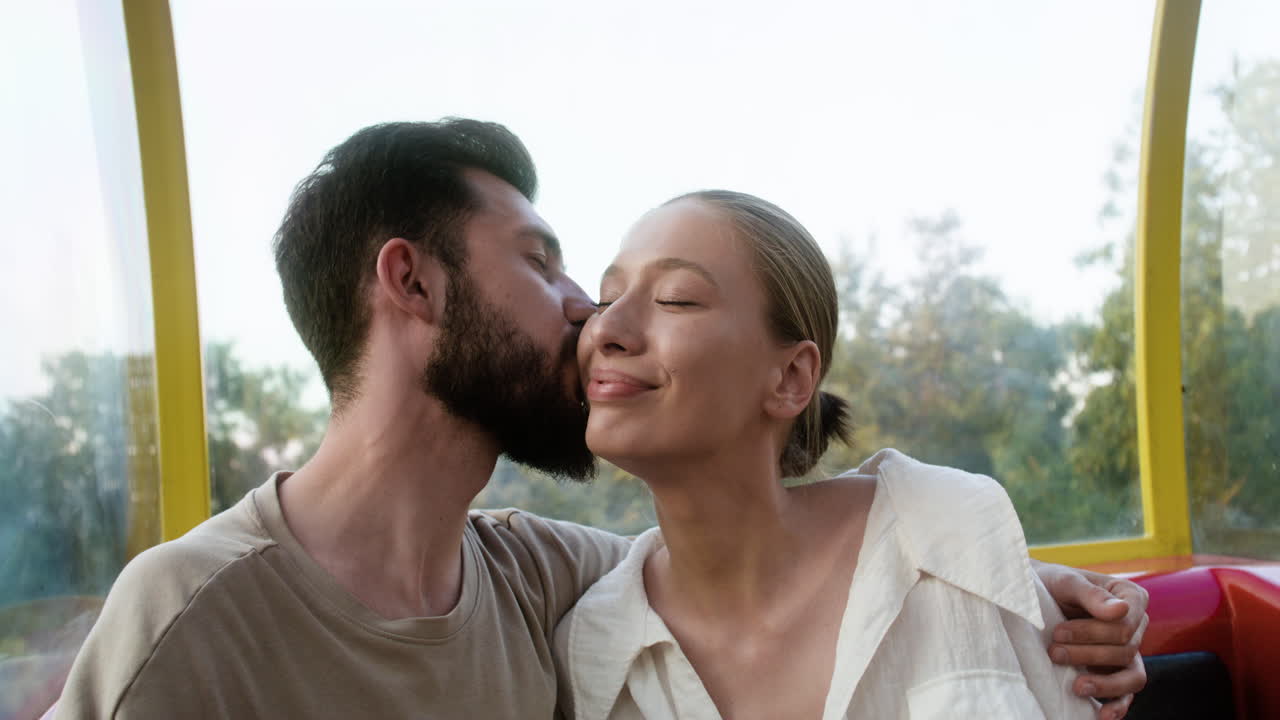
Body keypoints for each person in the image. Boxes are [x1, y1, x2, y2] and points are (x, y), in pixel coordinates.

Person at [55, 120, 1146, 719]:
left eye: (659, 297)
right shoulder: (189, 617)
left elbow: (751, 548)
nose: (585, 312)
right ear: (413, 284)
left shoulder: (543, 583)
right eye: (541, 263)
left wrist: (1039, 587)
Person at [555, 191, 1125, 719]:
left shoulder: (950, 542)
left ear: (791, 378)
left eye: (675, 299)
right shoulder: (591, 655)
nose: (608, 328)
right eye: (605, 299)